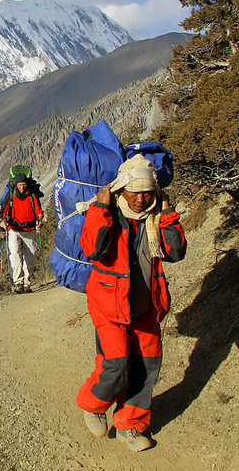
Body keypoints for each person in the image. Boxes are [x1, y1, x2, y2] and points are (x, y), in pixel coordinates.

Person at [75, 154, 186, 451]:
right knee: (117, 364)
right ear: (121, 190)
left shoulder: (156, 217)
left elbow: (175, 252)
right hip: (108, 306)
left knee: (146, 368)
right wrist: (101, 206)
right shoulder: (110, 214)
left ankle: (131, 425)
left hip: (146, 307)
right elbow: (93, 249)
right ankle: (94, 403)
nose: (140, 199)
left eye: (147, 193)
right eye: (134, 193)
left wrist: (167, 211)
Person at [0, 172, 44, 293]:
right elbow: (4, 211)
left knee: (29, 258)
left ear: (27, 184)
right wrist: (2, 222)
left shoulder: (32, 195)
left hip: (29, 230)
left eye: (24, 184)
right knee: (15, 256)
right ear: (16, 185)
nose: (22, 187)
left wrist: (40, 219)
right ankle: (18, 283)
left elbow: (38, 210)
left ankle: (27, 283)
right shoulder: (11, 195)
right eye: (20, 185)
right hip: (14, 229)